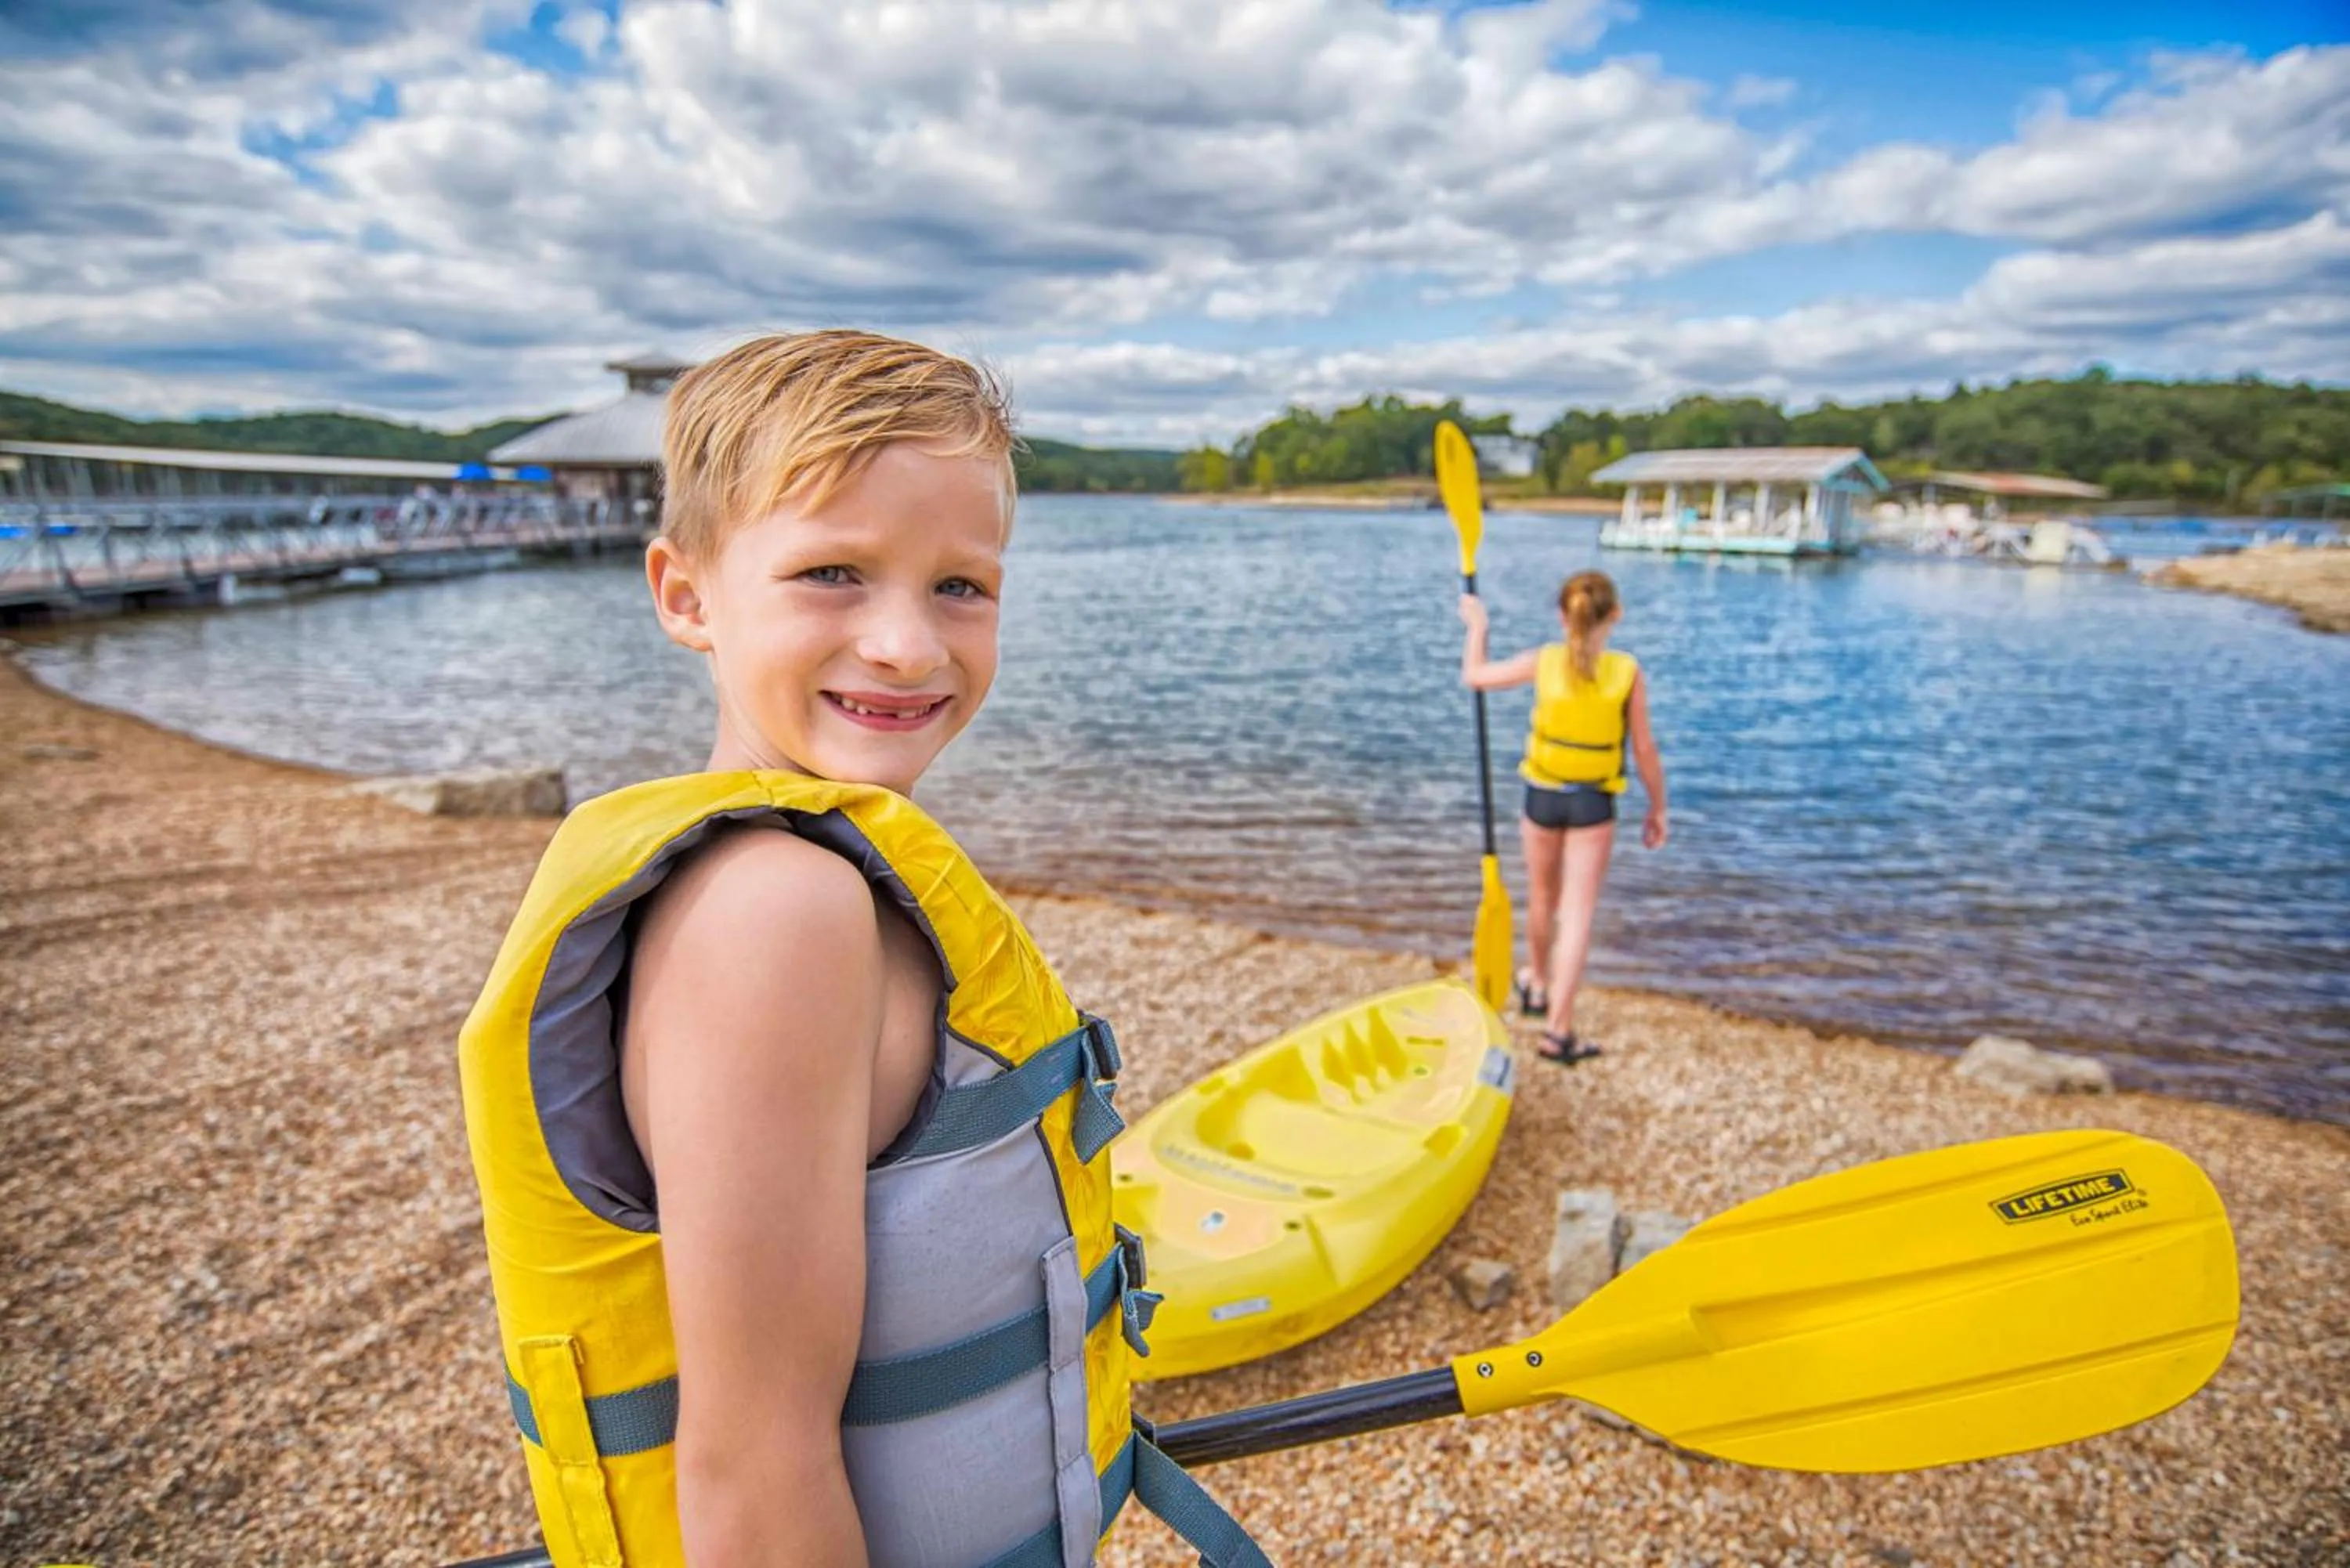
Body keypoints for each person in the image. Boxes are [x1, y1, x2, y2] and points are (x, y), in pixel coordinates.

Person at [458, 331, 1264, 1568]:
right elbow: (755, 1468)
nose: (908, 643)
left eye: (961, 585)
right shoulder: (779, 916)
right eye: (833, 571)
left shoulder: (818, 877)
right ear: (685, 595)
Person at [1459, 569, 1667, 1065]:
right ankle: (1558, 1030)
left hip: (1542, 798)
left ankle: (1536, 981)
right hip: (1592, 803)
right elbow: (1644, 749)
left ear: (1562, 616)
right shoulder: (1627, 672)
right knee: (1576, 916)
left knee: (1541, 897)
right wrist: (1658, 806)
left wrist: (1477, 628)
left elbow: (1475, 677)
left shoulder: (1544, 661)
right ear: (1614, 615)